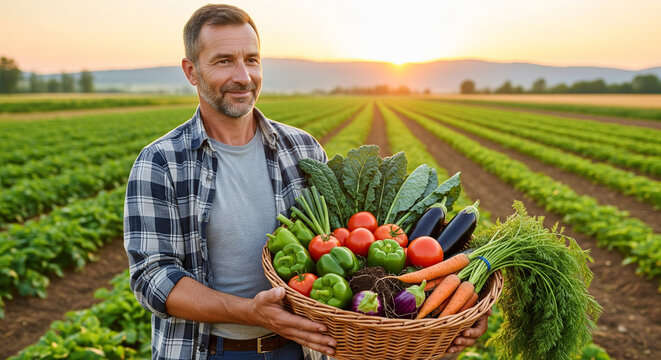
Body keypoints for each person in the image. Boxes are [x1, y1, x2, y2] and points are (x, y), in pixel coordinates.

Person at [123, 4, 489, 360]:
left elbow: (347, 252)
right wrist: (250, 311)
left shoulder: (301, 149)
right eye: (223, 61)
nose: (243, 76)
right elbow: (152, 278)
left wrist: (452, 318)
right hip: (208, 350)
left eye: (252, 59)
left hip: (301, 349)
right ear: (191, 71)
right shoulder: (161, 162)